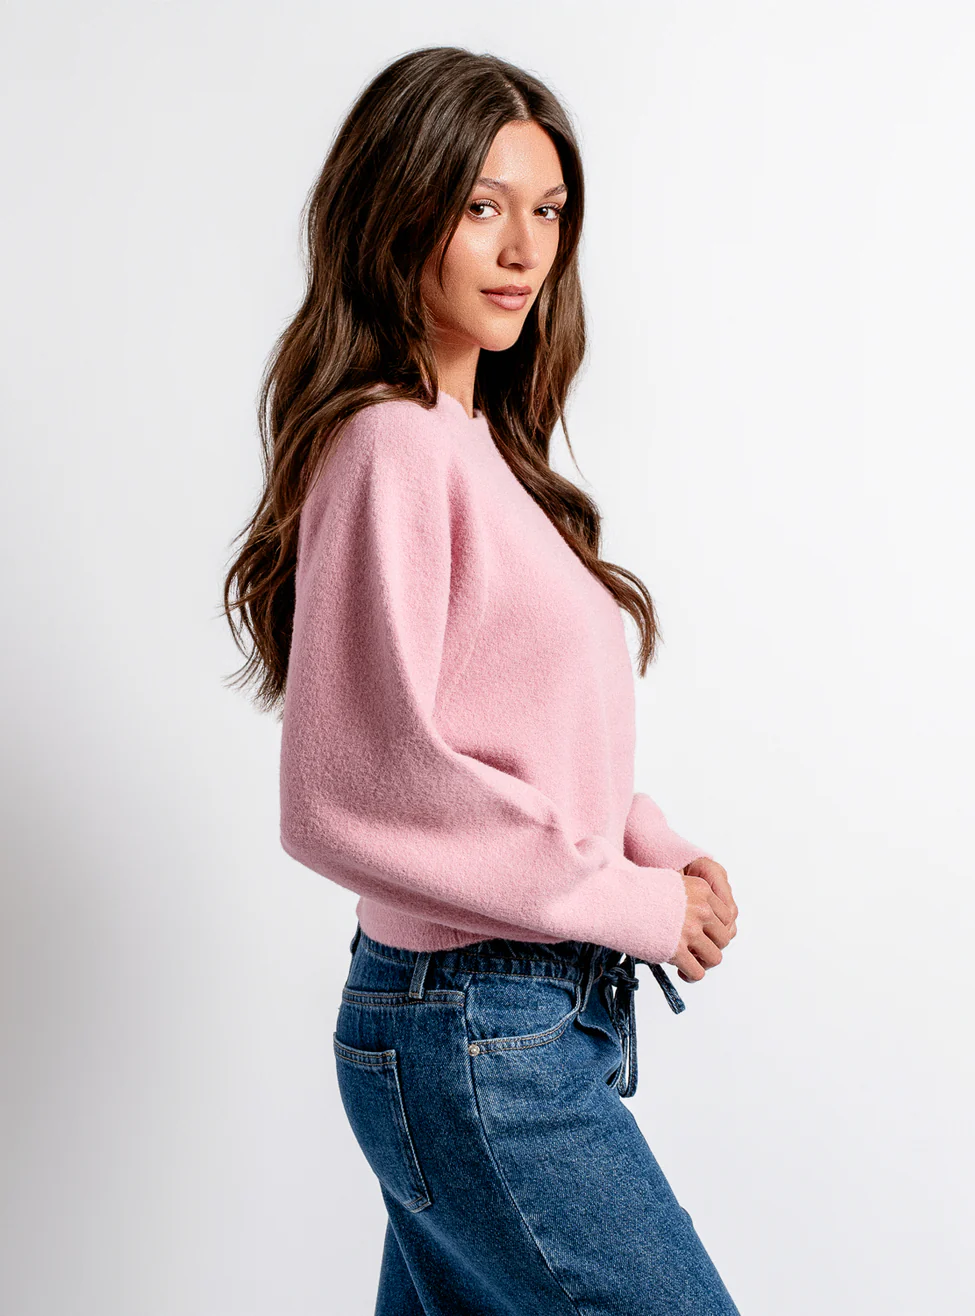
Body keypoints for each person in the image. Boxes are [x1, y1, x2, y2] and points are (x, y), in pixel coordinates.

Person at [223, 44, 742, 1316]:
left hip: (506, 1017)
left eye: (548, 211)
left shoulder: (474, 449)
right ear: (399, 209)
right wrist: (634, 901)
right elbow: (352, 791)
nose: (523, 250)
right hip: (474, 1024)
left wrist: (653, 846)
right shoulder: (391, 444)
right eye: (481, 206)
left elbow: (506, 734)